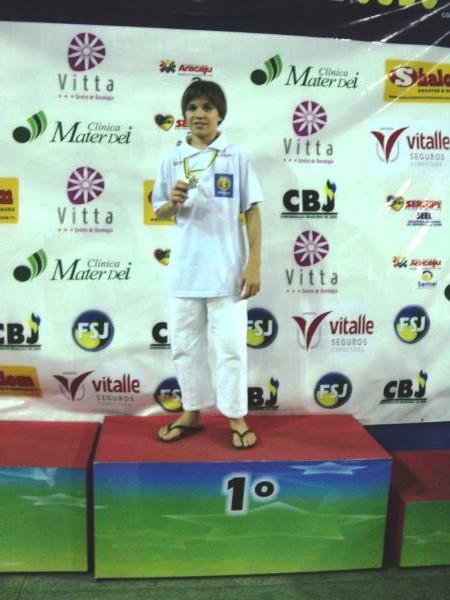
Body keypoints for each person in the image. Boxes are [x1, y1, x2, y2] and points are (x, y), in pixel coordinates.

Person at [152, 80, 263, 449]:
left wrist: (254, 263)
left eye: (207, 107)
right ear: (184, 114)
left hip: (228, 272)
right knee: (185, 347)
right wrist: (173, 203)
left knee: (231, 349)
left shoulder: (236, 156)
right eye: (192, 107)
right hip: (185, 271)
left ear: (220, 114)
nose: (199, 114)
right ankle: (192, 411)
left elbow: (252, 211)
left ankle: (236, 416)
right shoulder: (172, 158)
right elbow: (160, 210)